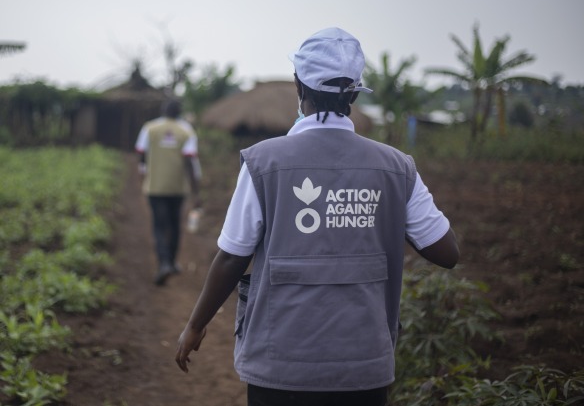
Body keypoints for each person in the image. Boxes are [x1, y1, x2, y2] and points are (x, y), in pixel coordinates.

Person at [175, 27, 459, 406]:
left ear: (299, 87)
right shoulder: (396, 167)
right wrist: (375, 208)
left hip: (281, 366)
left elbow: (232, 255)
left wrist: (195, 326)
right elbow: (446, 252)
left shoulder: (264, 162)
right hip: (365, 367)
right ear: (355, 93)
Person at [135, 98, 201, 286]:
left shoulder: (150, 128)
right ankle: (171, 261)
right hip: (178, 187)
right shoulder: (187, 131)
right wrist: (196, 192)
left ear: (163, 110)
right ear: (179, 112)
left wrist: (143, 174)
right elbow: (191, 163)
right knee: (174, 224)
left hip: (155, 185)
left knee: (159, 225)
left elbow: (141, 154)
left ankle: (163, 262)